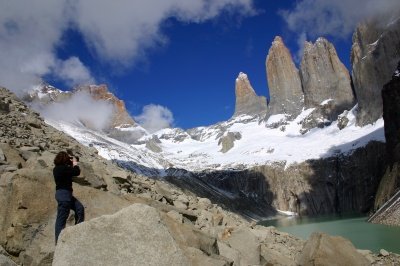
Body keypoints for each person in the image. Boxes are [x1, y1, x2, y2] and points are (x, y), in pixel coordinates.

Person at [53, 151, 84, 244]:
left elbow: (69, 171)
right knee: (61, 219)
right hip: (64, 195)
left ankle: (76, 231)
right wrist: (74, 163)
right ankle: (59, 242)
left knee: (80, 208)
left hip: (64, 194)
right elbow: (76, 172)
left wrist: (70, 163)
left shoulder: (57, 168)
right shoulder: (62, 168)